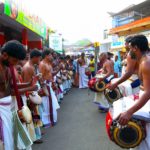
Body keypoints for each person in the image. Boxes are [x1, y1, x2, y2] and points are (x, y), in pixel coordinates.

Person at [116, 35, 150, 150]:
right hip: (144, 96)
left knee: (146, 134)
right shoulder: (143, 60)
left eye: (130, 48)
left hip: (148, 100)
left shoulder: (146, 63)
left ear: (136, 48)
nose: (129, 51)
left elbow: (148, 92)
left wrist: (130, 112)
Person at [0, 40, 26, 150]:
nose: (15, 64)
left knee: (9, 142)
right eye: (14, 60)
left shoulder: (8, 67)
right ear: (5, 55)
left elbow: (10, 88)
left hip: (7, 108)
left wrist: (29, 85)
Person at [21, 49, 43, 144]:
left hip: (32, 93)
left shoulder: (31, 66)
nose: (39, 60)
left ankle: (37, 135)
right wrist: (31, 99)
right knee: (33, 116)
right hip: (30, 95)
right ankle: (35, 137)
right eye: (39, 58)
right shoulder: (28, 67)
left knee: (36, 115)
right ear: (34, 57)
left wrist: (36, 78)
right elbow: (27, 85)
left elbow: (30, 82)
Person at [39, 50, 60, 127]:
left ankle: (50, 120)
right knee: (47, 104)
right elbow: (40, 77)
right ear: (46, 56)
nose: (52, 56)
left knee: (51, 104)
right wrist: (43, 87)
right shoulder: (42, 64)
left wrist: (58, 69)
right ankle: (48, 121)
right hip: (46, 85)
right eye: (50, 55)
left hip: (49, 84)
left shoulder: (48, 64)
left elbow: (51, 74)